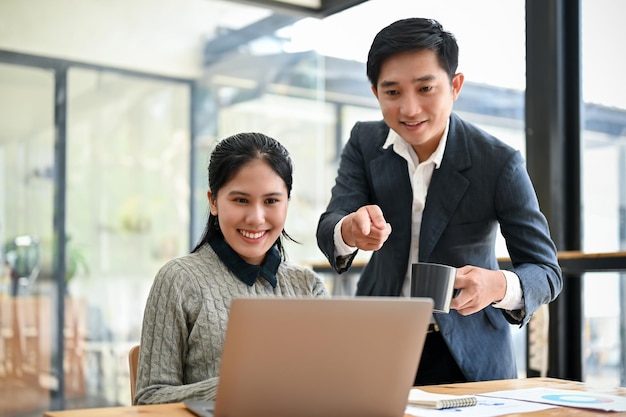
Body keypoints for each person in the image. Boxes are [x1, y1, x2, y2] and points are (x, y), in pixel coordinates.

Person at [316, 17, 562, 385]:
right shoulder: (364, 143)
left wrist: (496, 286)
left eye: (425, 88)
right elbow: (331, 222)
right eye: (393, 92)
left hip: (468, 356)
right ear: (375, 93)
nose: (410, 109)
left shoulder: (497, 161)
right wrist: (349, 230)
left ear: (455, 86)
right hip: (377, 343)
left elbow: (546, 270)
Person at [135, 132, 329, 405]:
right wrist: (237, 386)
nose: (256, 218)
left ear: (287, 203)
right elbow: (149, 399)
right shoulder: (179, 279)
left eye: (271, 201)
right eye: (241, 200)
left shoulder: (308, 286)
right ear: (213, 201)